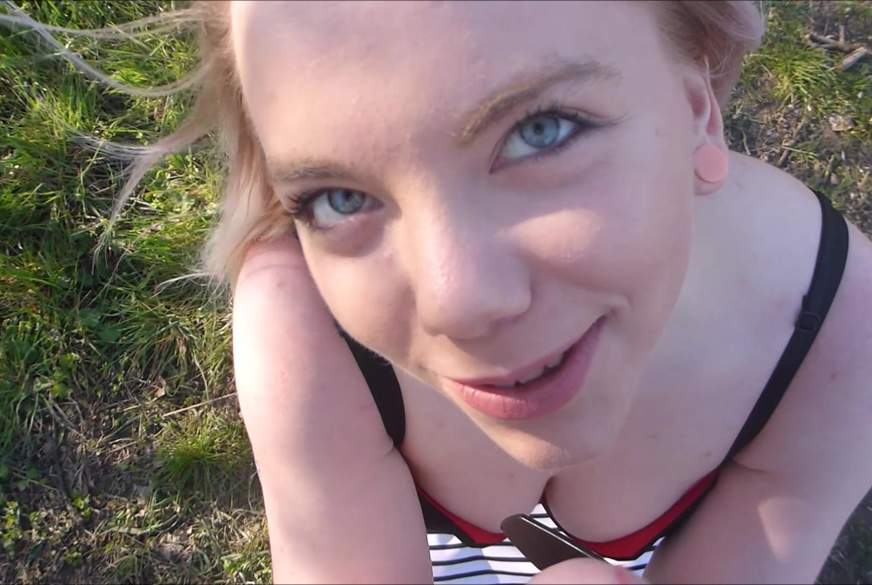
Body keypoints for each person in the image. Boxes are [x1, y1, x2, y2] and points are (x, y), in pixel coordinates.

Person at [5, 1, 871, 583]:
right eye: (337, 198)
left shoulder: (836, 332)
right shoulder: (302, 312)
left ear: (698, 106)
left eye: (542, 130)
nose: (457, 303)